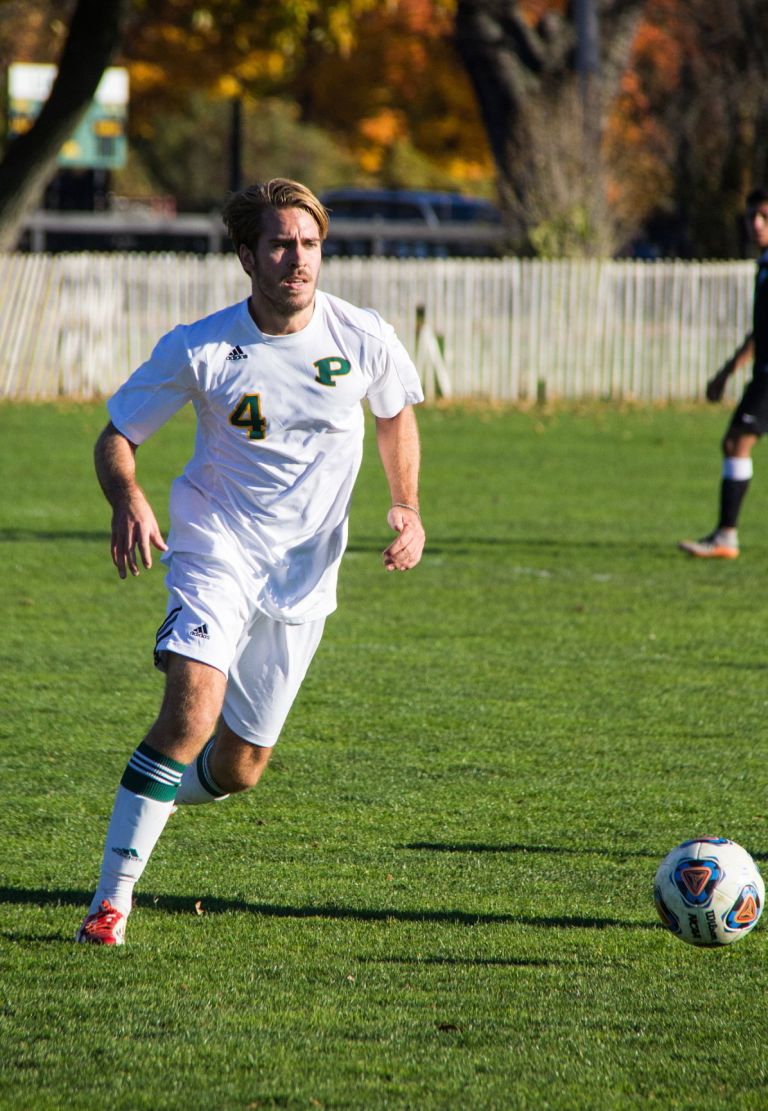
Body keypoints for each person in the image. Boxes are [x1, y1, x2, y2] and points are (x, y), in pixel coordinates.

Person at [76, 178, 426, 945]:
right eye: (279, 244)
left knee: (239, 767)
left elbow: (396, 414)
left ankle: (151, 794)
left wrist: (406, 504)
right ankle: (111, 902)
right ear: (247, 255)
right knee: (190, 715)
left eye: (308, 244)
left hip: (306, 575)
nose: (296, 259)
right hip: (216, 547)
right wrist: (126, 495)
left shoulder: (363, 335)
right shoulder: (198, 346)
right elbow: (117, 435)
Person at [679, 186, 768, 559]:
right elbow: (761, 329)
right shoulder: (764, 264)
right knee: (736, 443)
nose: (756, 224)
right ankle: (725, 536)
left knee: (736, 442)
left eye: (764, 216)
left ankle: (726, 537)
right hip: (762, 371)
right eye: (751, 217)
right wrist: (728, 371)